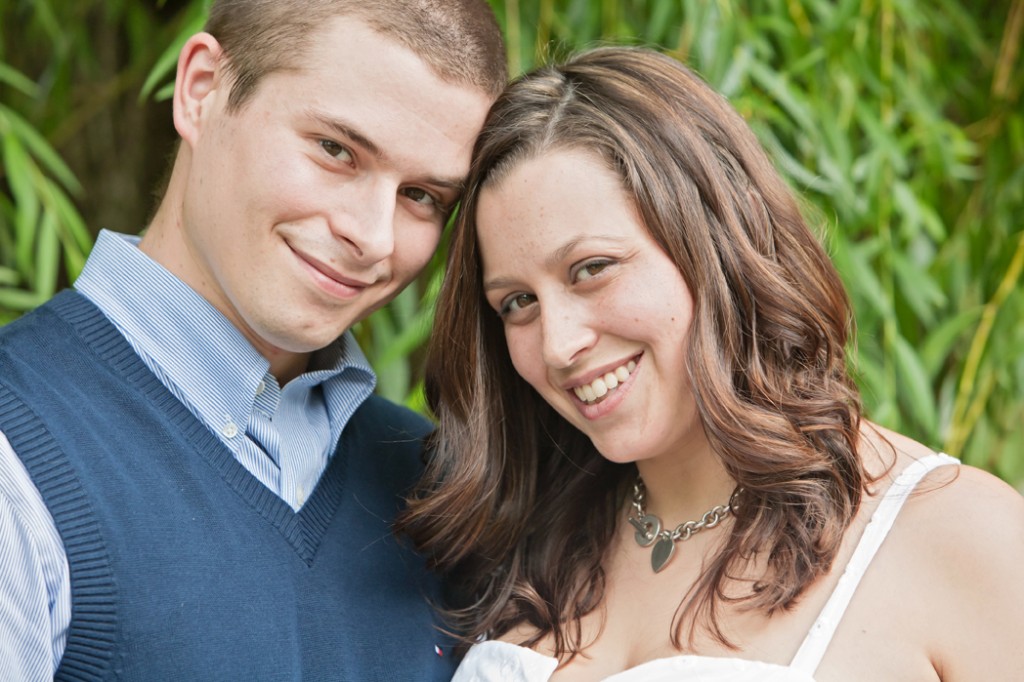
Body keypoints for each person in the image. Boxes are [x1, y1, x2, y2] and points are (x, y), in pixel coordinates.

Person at [398, 46, 1024, 680]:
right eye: (517, 303)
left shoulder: (959, 536)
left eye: (592, 270)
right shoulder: (516, 536)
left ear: (716, 246)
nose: (558, 345)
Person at [0, 1, 505, 679]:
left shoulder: (441, 492)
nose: (374, 236)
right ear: (202, 89)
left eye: (423, 197)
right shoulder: (20, 452)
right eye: (335, 150)